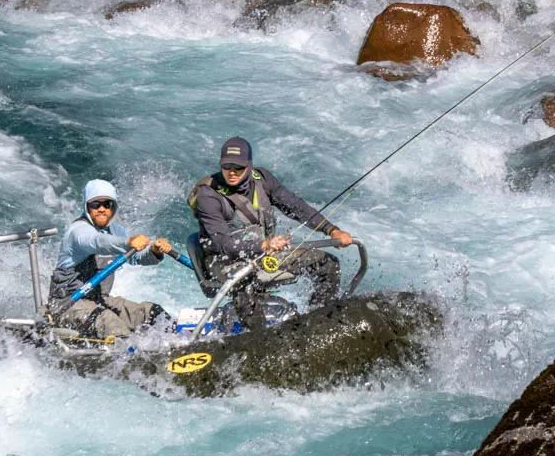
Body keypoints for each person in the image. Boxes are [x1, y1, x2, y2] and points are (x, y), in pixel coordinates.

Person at [188, 136, 353, 329]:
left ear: (249, 166)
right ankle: (258, 336)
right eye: (226, 167)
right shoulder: (208, 195)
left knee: (328, 264)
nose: (231, 172)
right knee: (244, 282)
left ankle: (318, 323)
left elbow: (295, 206)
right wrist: (263, 245)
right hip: (223, 260)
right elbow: (221, 243)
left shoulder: (262, 179)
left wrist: (332, 230)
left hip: (263, 253)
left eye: (238, 167)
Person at [48, 179, 173, 339]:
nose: (102, 209)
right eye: (95, 204)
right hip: (67, 305)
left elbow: (135, 258)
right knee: (110, 322)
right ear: (86, 206)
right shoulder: (78, 231)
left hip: (100, 300)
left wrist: (155, 251)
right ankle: (131, 356)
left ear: (113, 208)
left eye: (107, 204)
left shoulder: (115, 230)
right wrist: (127, 242)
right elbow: (97, 242)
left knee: (152, 313)